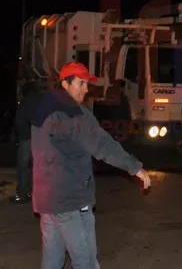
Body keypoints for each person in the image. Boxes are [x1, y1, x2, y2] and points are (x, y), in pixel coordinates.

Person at [32, 62, 151, 268]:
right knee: (85, 260)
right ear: (65, 84)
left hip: (46, 199)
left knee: (52, 260)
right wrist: (135, 167)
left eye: (87, 84)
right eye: (81, 83)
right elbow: (102, 145)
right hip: (69, 199)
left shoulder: (45, 107)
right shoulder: (74, 114)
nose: (86, 90)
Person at [11, 78, 47, 203]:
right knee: (35, 167)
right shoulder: (39, 100)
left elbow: (23, 119)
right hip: (37, 137)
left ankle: (22, 193)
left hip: (27, 137)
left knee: (23, 166)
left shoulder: (27, 101)